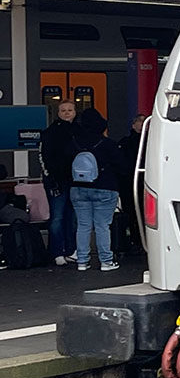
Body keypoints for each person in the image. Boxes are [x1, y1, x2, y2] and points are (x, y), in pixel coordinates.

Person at [69, 108, 126, 272]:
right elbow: (122, 166)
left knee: (83, 225)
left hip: (78, 188)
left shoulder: (74, 143)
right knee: (102, 226)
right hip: (105, 187)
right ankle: (106, 261)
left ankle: (82, 261)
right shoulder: (107, 144)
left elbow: (64, 163)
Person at [40, 100, 78, 266]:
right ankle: (57, 251)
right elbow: (44, 158)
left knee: (73, 218)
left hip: (75, 181)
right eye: (63, 110)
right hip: (57, 181)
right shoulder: (50, 132)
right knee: (57, 217)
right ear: (58, 112)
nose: (67, 113)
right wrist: (51, 180)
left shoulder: (79, 131)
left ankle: (71, 250)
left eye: (70, 110)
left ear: (75, 112)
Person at [117, 114, 146, 253]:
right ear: (133, 125)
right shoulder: (127, 142)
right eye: (139, 121)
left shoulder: (150, 142)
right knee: (131, 212)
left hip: (143, 183)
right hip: (130, 183)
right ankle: (133, 239)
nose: (142, 124)